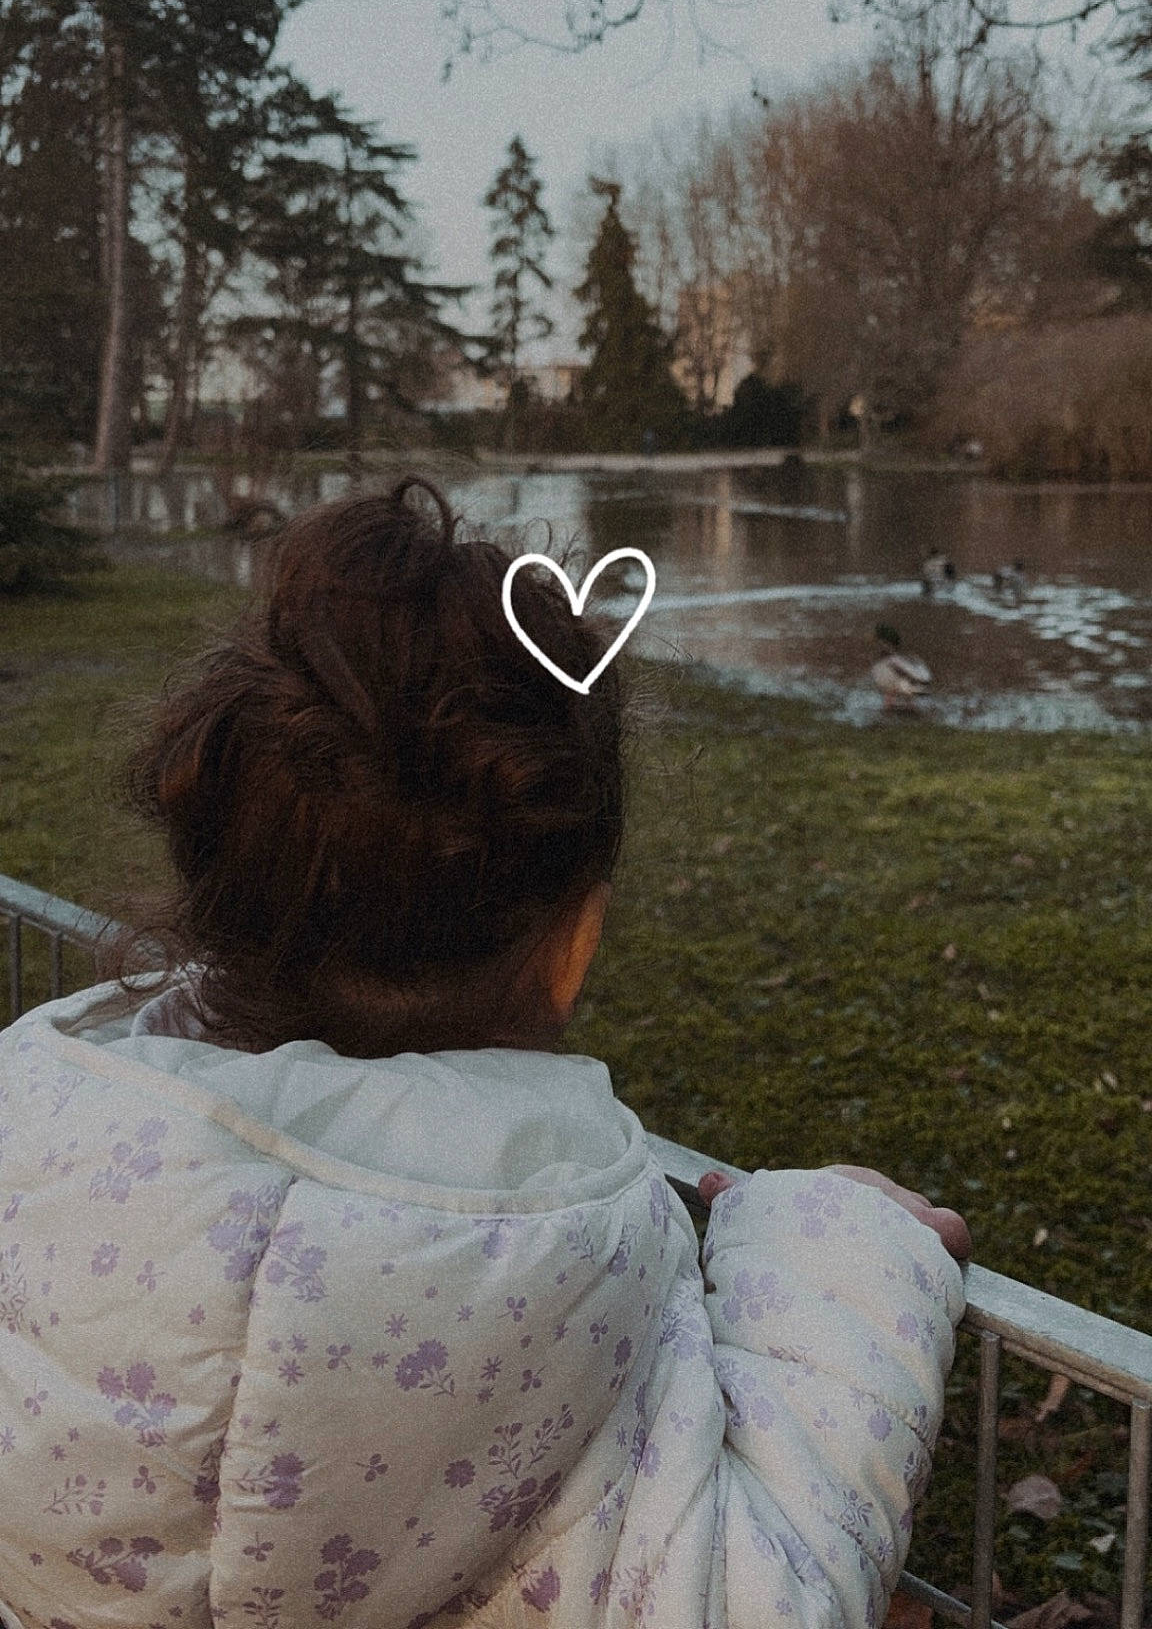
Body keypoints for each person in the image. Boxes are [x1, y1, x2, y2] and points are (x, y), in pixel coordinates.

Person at [0, 478, 970, 1629]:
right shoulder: (582, 1273)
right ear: (575, 939)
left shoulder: (30, 1153)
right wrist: (844, 1249)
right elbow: (768, 1579)